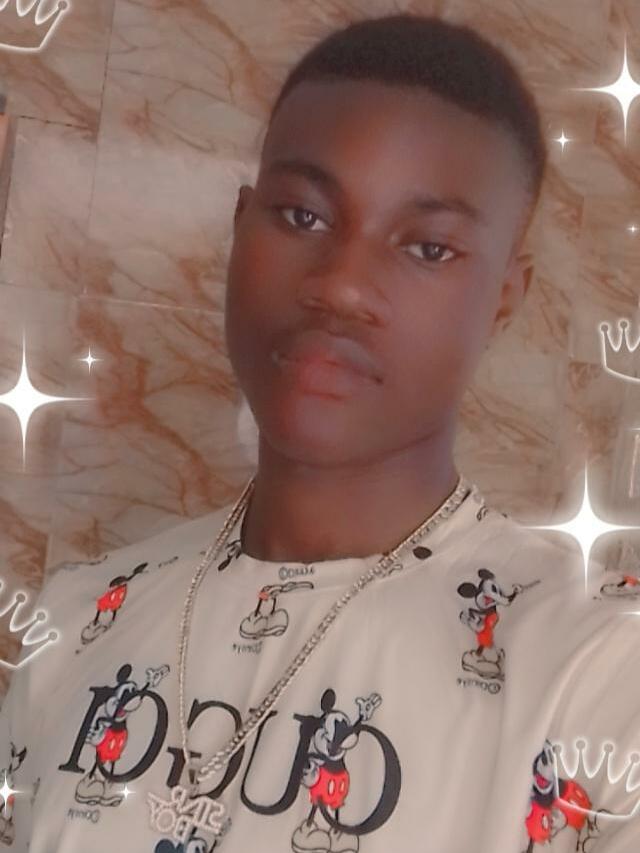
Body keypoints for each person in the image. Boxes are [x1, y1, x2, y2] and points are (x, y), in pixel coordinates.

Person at [1, 12, 639, 853]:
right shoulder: (72, 624)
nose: (341, 286)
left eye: (428, 248)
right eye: (302, 215)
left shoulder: (600, 669)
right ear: (241, 225)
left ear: (503, 299)